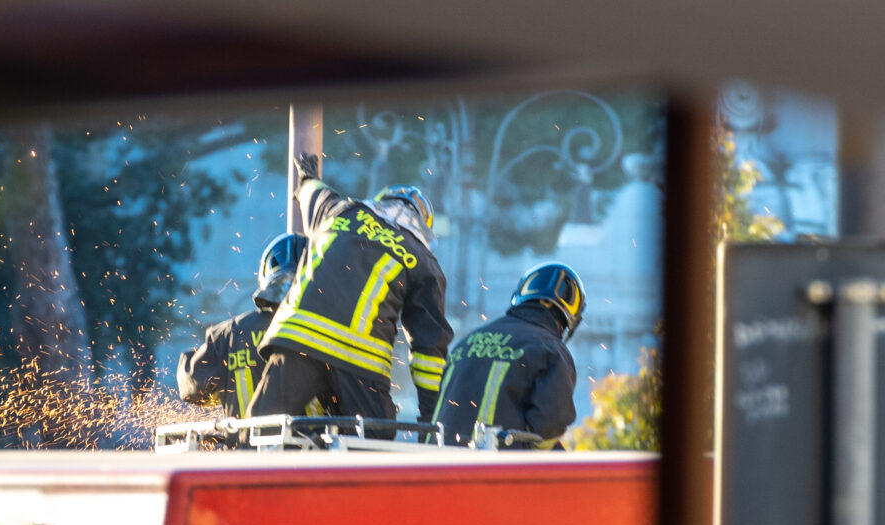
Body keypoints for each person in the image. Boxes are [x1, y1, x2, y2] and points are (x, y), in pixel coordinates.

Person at [248, 154, 453, 429]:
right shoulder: (423, 260)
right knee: (371, 447)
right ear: (423, 225)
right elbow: (429, 349)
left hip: (296, 342)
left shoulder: (338, 210)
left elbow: (312, 192)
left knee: (261, 429)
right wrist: (431, 416)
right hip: (358, 363)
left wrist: (306, 176)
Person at [431, 262, 584, 449]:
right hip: (493, 470)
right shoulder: (551, 349)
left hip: (438, 463)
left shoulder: (469, 340)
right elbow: (551, 424)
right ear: (567, 321)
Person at [176, 232, 306, 433]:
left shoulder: (229, 335)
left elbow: (192, 387)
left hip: (246, 458)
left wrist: (190, 359)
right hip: (313, 458)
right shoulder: (324, 331)